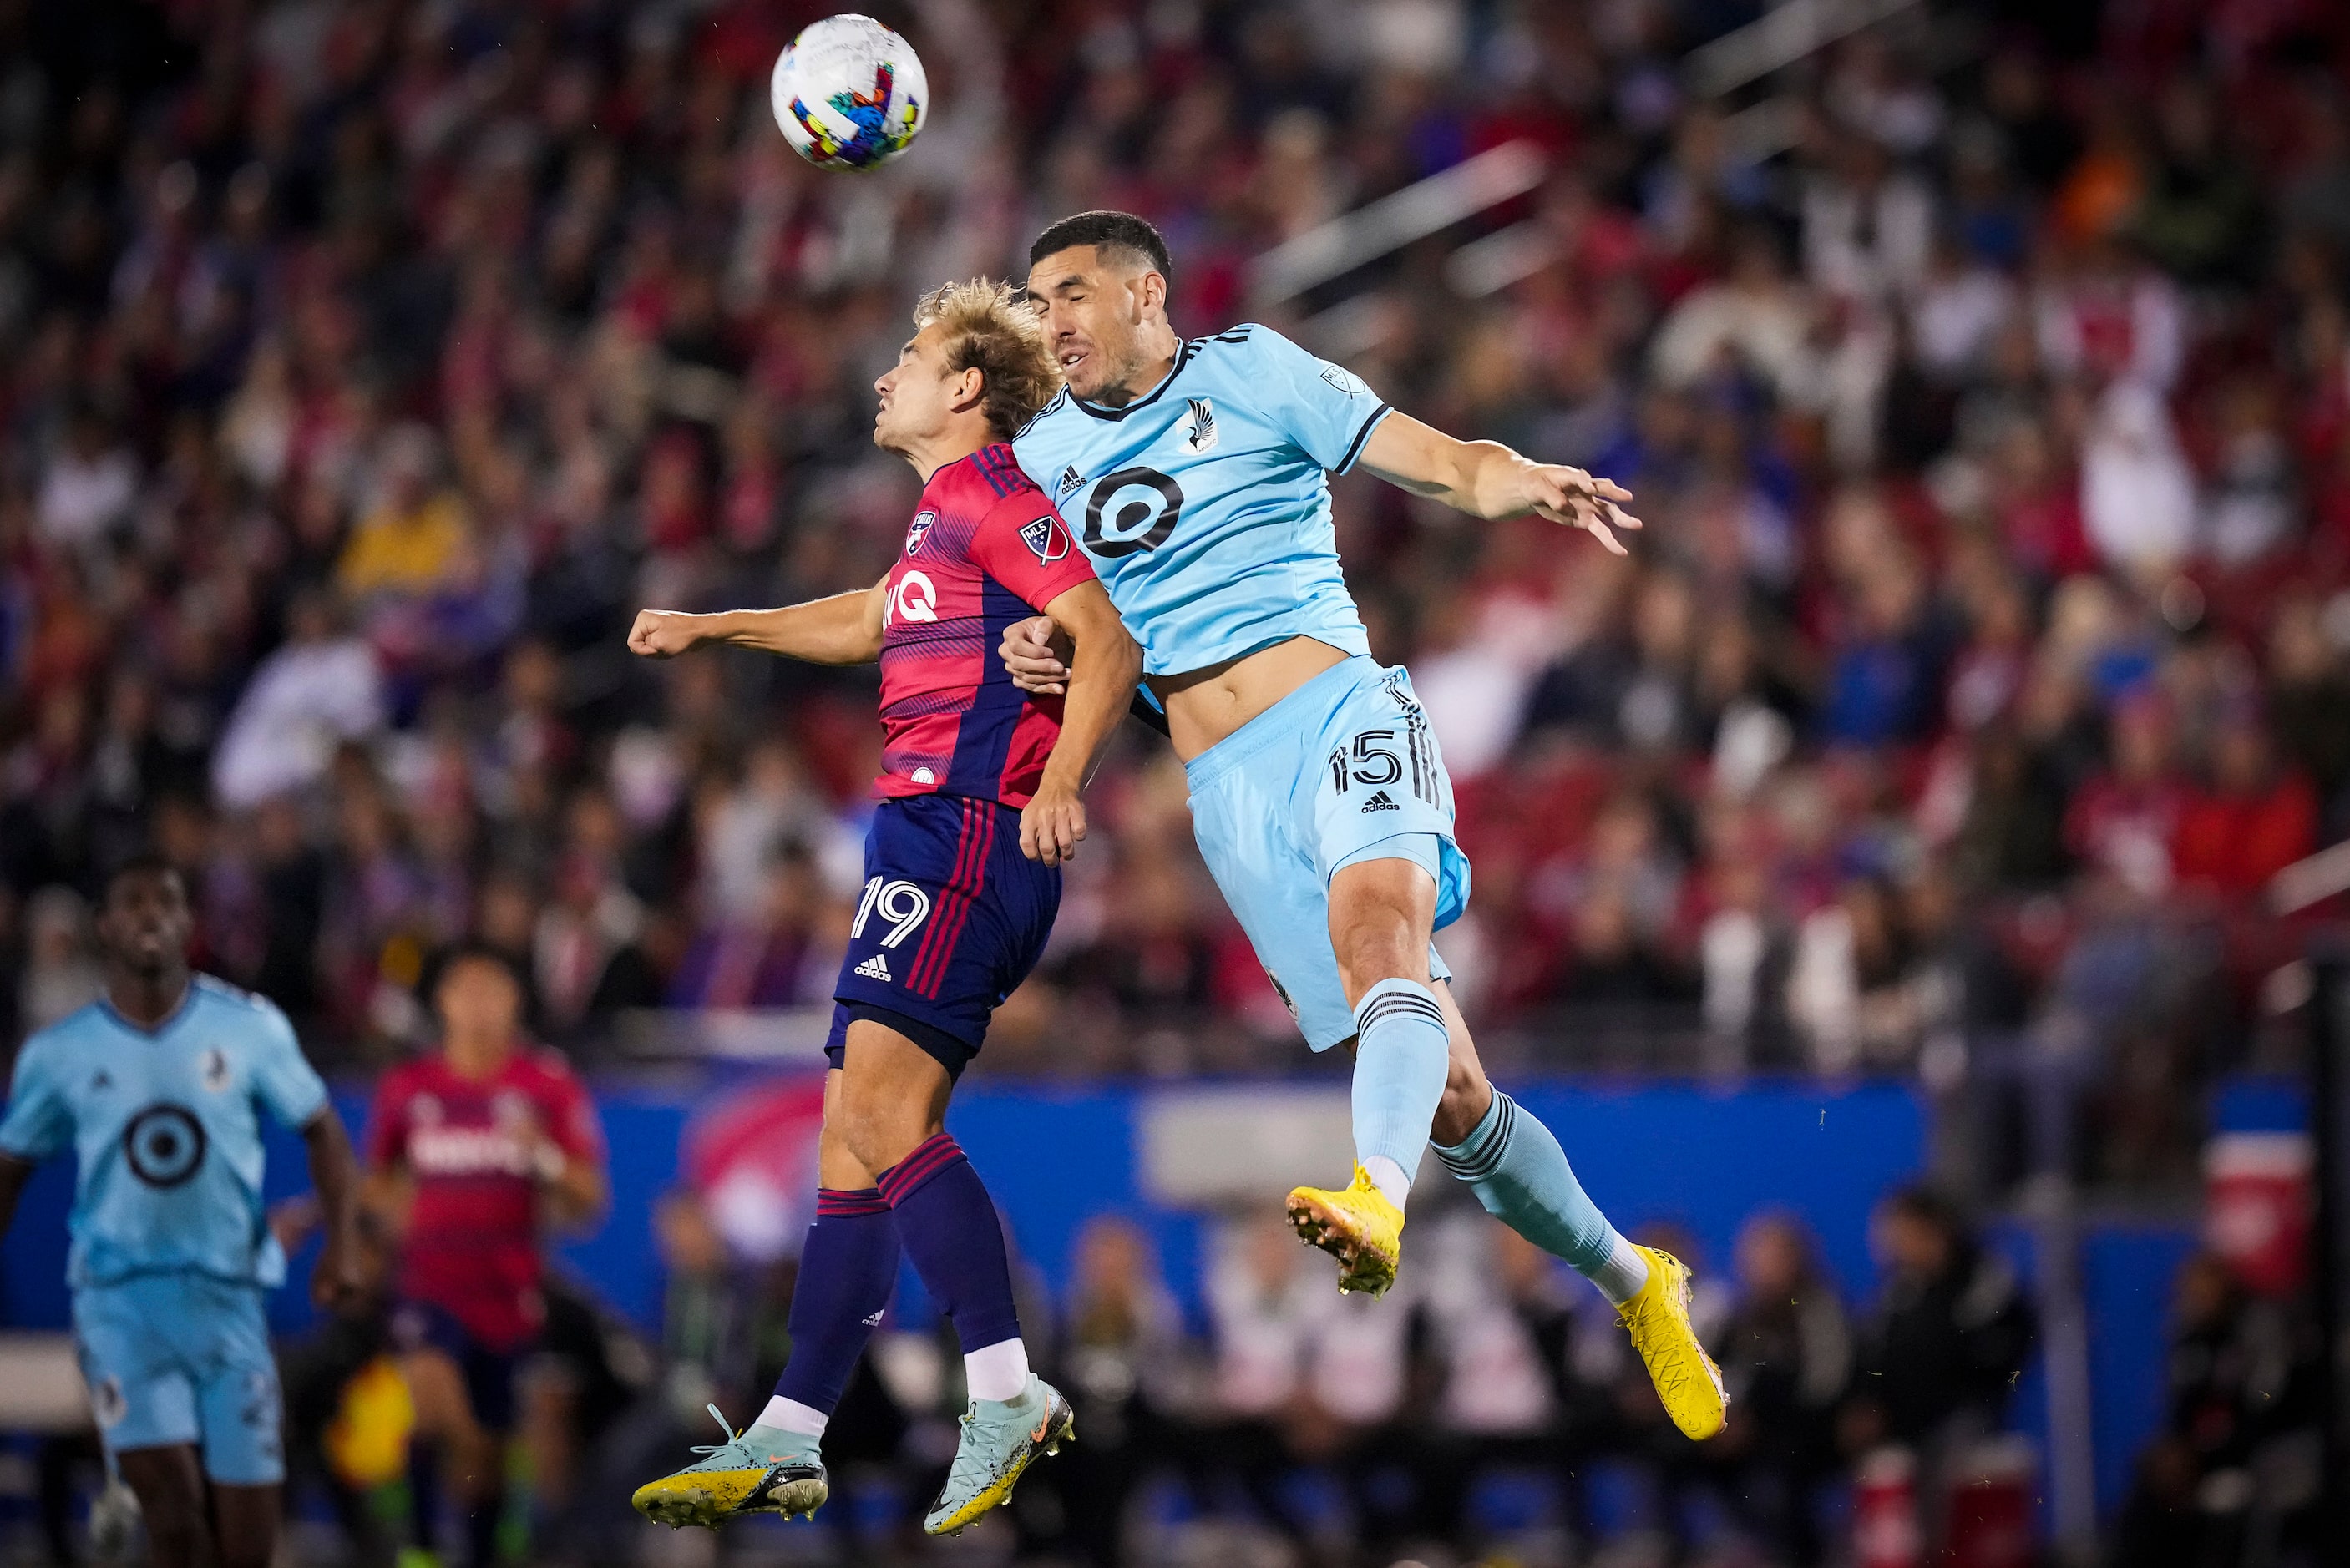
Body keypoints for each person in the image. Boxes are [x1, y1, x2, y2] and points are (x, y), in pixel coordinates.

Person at [999, 211, 1725, 1439]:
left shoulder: (1251, 369)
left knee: (1379, 935)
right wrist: (1044, 648)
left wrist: (1523, 481)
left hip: (1339, 707)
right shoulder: (1040, 456)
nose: (1051, 321)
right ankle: (1632, 1278)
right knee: (1450, 1094)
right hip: (1220, 790)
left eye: (1071, 293)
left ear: (1144, 293)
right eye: (1037, 300)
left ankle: (1374, 1200)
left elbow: (1439, 459)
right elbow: (1095, 643)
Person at [623, 278, 1142, 1535]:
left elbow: (1106, 636)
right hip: (926, 834)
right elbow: (866, 621)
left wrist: (1061, 777)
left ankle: (1006, 1388)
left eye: (907, 358)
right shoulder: (938, 518)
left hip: (966, 832)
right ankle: (792, 1430)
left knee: (876, 1113)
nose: (880, 378)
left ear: (964, 387)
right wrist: (713, 624)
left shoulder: (991, 492)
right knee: (847, 1146)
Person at [0, 853, 362, 1568]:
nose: (151, 916)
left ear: (187, 923)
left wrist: (342, 1244)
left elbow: (322, 1128)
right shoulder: (60, 1054)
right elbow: (11, 1169)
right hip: (119, 1305)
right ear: (105, 927)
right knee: (171, 1513)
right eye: (133, 903)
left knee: (248, 1543)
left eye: (166, 903)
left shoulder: (251, 1029)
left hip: (230, 1303)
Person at [362, 943, 608, 1566]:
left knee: (486, 1451)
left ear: (514, 1001)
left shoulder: (545, 1086)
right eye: (463, 991)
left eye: (490, 991)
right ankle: (418, 1547)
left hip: (507, 1293)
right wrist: (393, 1217)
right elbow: (379, 1182)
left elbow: (589, 1199)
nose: (477, 1007)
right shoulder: (409, 1088)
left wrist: (541, 1156)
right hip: (428, 1286)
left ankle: (474, 1552)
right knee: (437, 1407)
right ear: (441, 1003)